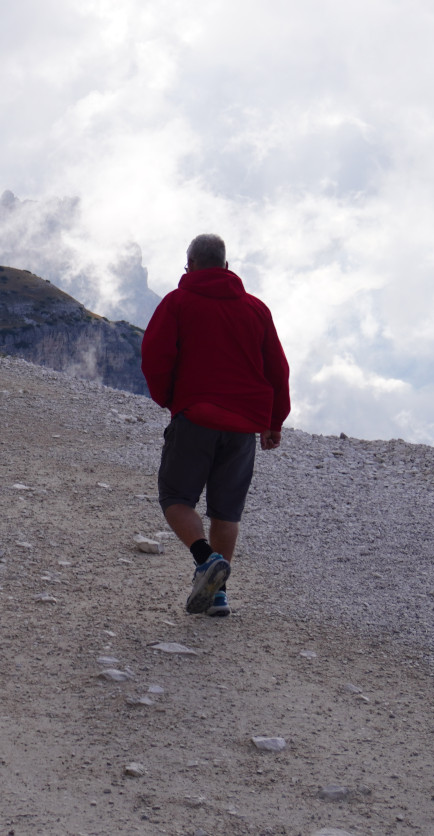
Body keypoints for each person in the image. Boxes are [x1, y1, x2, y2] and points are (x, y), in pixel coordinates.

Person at [140, 233, 290, 618]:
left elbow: (155, 356)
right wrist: (274, 421)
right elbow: (278, 370)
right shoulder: (256, 309)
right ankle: (218, 594)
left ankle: (205, 561)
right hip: (242, 429)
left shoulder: (177, 303)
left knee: (175, 498)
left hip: (196, 416)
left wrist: (169, 398)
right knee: (226, 512)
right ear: (226, 266)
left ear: (188, 266)